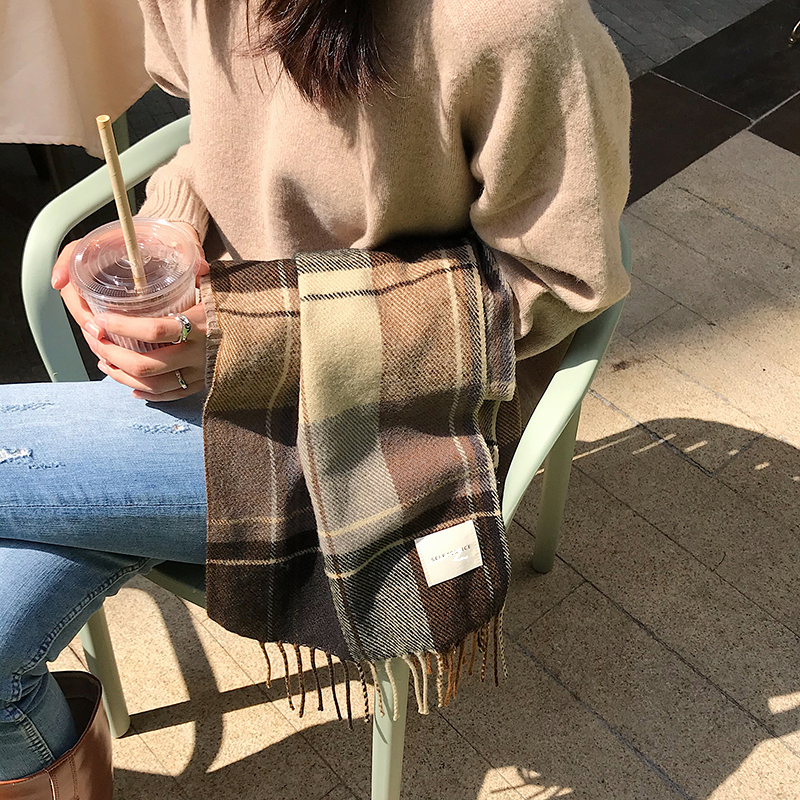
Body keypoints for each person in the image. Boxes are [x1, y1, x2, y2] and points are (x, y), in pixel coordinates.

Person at [0, 0, 631, 794]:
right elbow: (222, 133)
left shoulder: (510, 21)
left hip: (404, 414)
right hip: (218, 352)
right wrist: (169, 231)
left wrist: (259, 331)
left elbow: (560, 282)